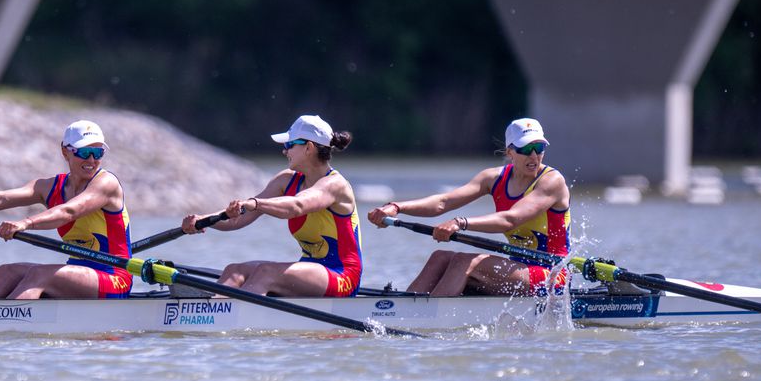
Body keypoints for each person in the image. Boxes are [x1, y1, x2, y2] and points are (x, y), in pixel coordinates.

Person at [0, 120, 132, 299]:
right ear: (65, 151)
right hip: (78, 271)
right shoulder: (49, 187)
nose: (92, 160)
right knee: (7, 271)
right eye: (85, 152)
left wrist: (25, 223)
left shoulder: (106, 183)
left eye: (98, 153)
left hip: (115, 277)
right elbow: (0, 198)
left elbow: (68, 212)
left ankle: (5, 323)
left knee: (40, 275)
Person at [367, 117, 571, 297]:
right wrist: (396, 207)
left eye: (539, 148)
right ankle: (403, 311)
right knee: (440, 257)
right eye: (526, 149)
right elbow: (443, 202)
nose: (534, 156)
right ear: (510, 152)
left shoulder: (551, 181)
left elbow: (510, 219)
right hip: (519, 268)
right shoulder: (493, 178)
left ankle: (429, 318)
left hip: (553, 275)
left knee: (465, 262)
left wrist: (460, 223)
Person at [180, 114, 362, 297]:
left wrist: (256, 203)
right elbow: (238, 220)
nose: (284, 151)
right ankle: (210, 309)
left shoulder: (335, 185)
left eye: (289, 145)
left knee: (266, 272)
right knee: (234, 271)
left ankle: (238, 312)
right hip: (311, 270)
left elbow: (297, 206)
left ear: (309, 147)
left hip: (343, 276)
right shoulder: (286, 180)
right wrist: (203, 220)